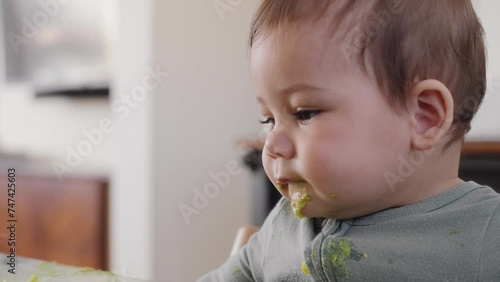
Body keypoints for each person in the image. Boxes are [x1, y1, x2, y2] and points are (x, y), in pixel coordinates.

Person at [198, 0, 500, 281]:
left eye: (304, 113)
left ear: (424, 117)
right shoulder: (281, 226)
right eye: (269, 120)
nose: (272, 145)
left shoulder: (488, 235)